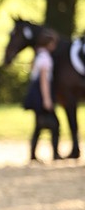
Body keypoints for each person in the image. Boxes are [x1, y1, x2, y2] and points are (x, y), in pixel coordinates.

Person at [23, 31, 61, 163]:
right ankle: (55, 153)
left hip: (35, 93)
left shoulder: (39, 56)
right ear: (49, 44)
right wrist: (47, 99)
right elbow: (44, 80)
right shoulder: (45, 58)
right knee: (55, 124)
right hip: (40, 94)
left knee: (38, 125)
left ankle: (33, 154)